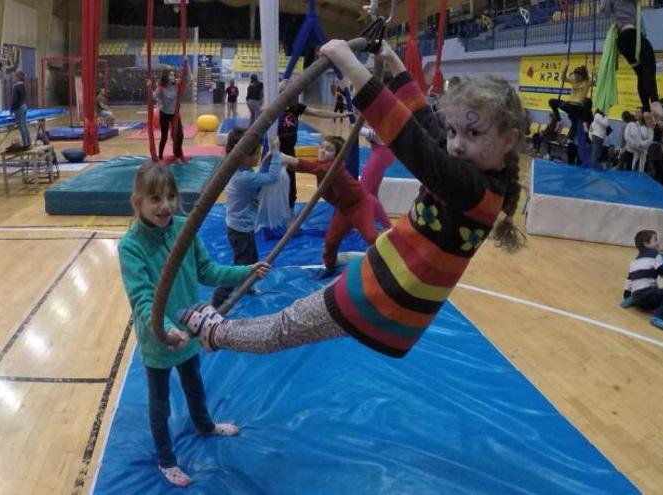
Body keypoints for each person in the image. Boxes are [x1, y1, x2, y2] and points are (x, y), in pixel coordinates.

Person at [176, 39, 524, 360]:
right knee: (290, 325)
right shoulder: (477, 179)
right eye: (454, 130)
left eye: (474, 133)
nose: (457, 144)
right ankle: (218, 330)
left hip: (386, 294)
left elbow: (415, 145)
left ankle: (216, 333)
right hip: (386, 287)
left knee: (285, 327)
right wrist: (397, 67)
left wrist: (352, 68)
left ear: (509, 140)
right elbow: (427, 127)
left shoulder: (477, 191)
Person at [118, 162, 271, 487]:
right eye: (155, 199)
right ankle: (166, 458)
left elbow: (207, 270)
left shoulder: (183, 228)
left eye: (171, 196)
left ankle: (204, 424)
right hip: (159, 338)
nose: (165, 206)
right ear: (137, 203)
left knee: (195, 384)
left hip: (188, 329)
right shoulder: (131, 246)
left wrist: (246, 271)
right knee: (159, 405)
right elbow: (142, 296)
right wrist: (163, 329)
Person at [282, 135, 378, 279]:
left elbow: (310, 167)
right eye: (321, 147)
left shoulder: (334, 167)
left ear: (337, 156)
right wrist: (285, 163)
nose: (322, 151)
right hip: (343, 210)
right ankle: (329, 266)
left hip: (359, 206)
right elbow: (309, 167)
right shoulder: (322, 166)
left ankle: (390, 260)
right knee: (330, 241)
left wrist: (286, 158)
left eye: (328, 149)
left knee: (371, 237)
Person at [211, 129, 283, 308]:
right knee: (240, 266)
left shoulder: (242, 169)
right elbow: (272, 177)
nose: (258, 158)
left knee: (252, 260)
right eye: (256, 154)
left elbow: (261, 174)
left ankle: (246, 286)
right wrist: (276, 153)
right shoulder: (243, 177)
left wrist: (266, 159)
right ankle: (217, 301)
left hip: (243, 227)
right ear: (242, 156)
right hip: (239, 230)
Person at [278, 80, 350, 210]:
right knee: (269, 182)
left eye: (295, 95)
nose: (294, 98)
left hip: (289, 151)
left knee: (291, 186)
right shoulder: (275, 108)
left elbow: (318, 112)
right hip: (275, 150)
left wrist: (339, 114)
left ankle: (290, 209)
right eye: (291, 95)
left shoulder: (296, 108)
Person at [600, 0, 659, 111]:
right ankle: (655, 101)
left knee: (641, 74)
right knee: (649, 61)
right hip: (630, 35)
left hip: (622, 41)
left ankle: (646, 109)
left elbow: (605, 12)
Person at [620, 230, 663, 331]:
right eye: (655, 240)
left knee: (645, 292)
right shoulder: (655, 256)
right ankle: (658, 317)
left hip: (636, 295)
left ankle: (631, 300)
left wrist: (626, 296)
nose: (658, 242)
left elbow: (629, 280)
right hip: (647, 295)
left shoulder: (634, 261)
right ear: (646, 243)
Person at [360, 125, 394, 229]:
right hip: (382, 150)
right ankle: (375, 221)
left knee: (363, 191)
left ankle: (387, 226)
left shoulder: (383, 113)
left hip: (382, 151)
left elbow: (378, 135)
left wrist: (359, 129)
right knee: (372, 191)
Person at [153, 69, 184, 162]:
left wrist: (186, 63)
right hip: (165, 114)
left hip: (175, 114)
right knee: (164, 136)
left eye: (174, 75)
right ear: (166, 77)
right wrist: (150, 86)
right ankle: (160, 156)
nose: (173, 77)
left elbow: (188, 79)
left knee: (180, 135)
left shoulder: (177, 85)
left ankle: (177, 155)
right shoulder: (161, 87)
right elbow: (153, 97)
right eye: (170, 75)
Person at [9, 70, 30, 150]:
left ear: (18, 77)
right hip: (24, 105)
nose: (14, 78)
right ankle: (28, 143)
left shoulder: (16, 86)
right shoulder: (24, 85)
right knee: (24, 125)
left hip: (19, 107)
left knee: (21, 126)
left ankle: (26, 145)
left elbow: (15, 99)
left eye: (15, 76)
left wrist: (11, 110)